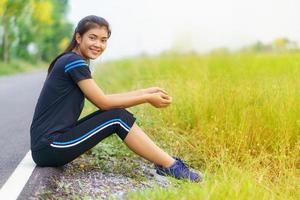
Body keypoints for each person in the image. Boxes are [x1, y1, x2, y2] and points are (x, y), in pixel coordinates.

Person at [30, 15, 202, 182]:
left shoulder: (71, 60)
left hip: (48, 146)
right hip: (50, 147)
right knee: (117, 118)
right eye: (93, 38)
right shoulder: (74, 62)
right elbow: (103, 102)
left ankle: (168, 164)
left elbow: (104, 99)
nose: (98, 44)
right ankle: (169, 166)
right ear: (78, 37)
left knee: (117, 115)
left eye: (103, 40)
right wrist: (147, 98)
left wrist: (145, 92)